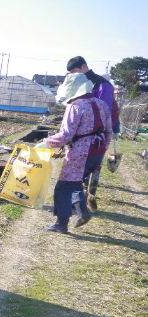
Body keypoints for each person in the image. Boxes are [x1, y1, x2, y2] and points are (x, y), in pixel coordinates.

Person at [39, 73, 111, 233]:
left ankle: (63, 222)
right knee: (76, 182)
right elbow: (108, 131)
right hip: (97, 151)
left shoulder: (76, 106)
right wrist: (103, 149)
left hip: (81, 152)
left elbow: (66, 135)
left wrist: (46, 143)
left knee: (64, 186)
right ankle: (78, 212)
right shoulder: (102, 104)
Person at [65, 56, 121, 211]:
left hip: (97, 133)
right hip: (84, 132)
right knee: (83, 165)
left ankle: (89, 196)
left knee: (93, 165)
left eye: (75, 72)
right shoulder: (82, 83)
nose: (74, 76)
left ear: (83, 67)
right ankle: (84, 198)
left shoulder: (103, 85)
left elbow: (104, 112)